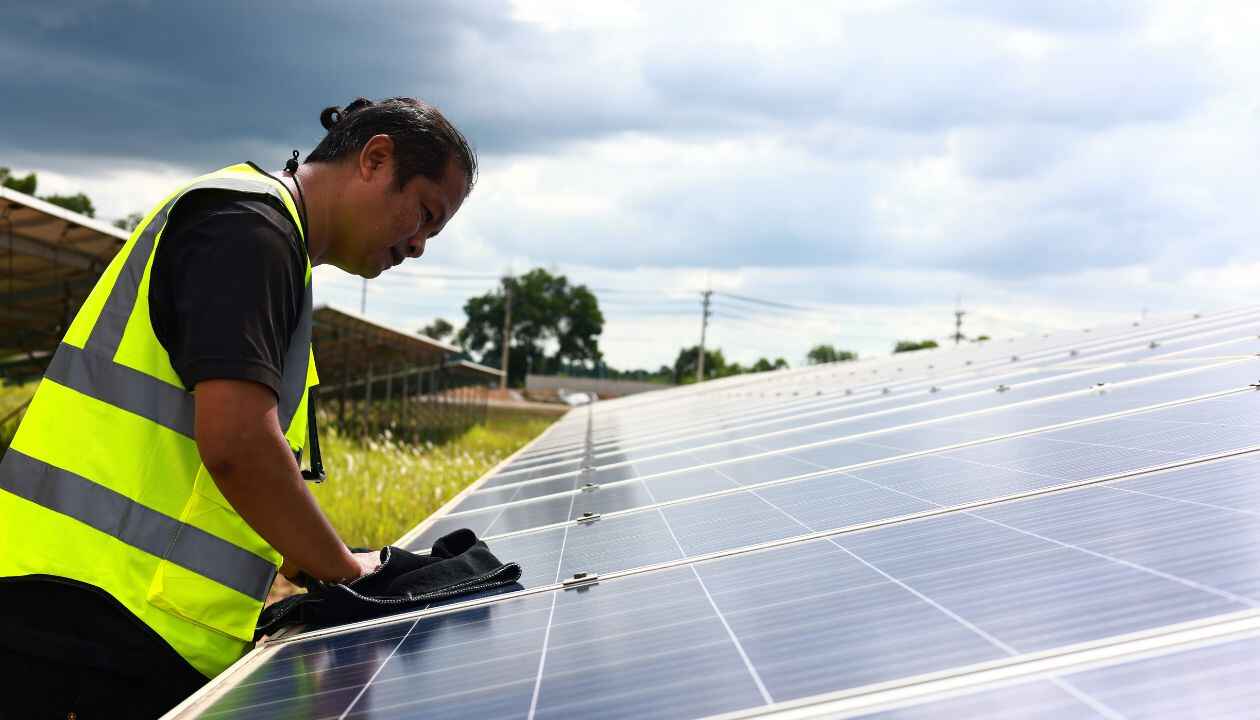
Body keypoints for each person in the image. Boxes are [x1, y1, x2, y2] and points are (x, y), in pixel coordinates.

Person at [0, 97, 477, 719]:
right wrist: (343, 572)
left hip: (114, 621)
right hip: (84, 624)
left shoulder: (268, 247)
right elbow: (237, 446)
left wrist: (308, 558)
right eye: (423, 215)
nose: (417, 246)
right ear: (375, 158)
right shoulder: (247, 232)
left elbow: (210, 474)